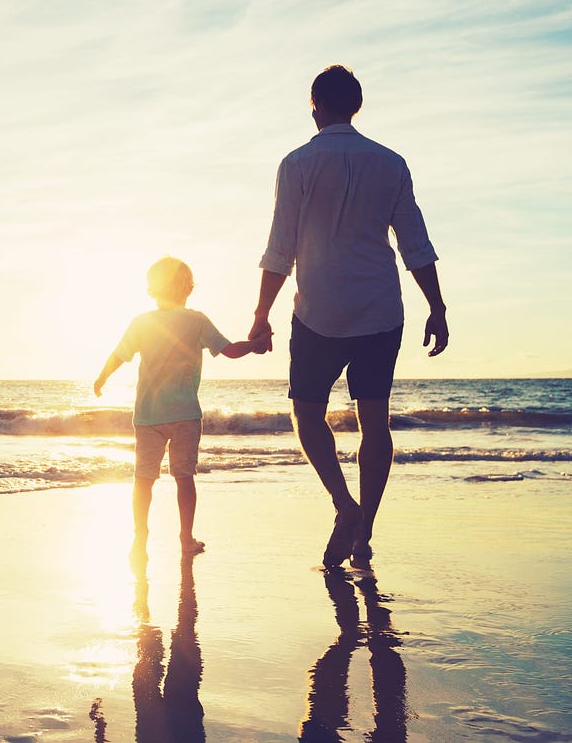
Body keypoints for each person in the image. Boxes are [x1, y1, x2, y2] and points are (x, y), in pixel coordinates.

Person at [249, 65, 448, 570]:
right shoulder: (391, 162)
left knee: (307, 414)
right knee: (374, 421)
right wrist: (437, 306)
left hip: (318, 309)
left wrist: (261, 314)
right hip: (381, 309)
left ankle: (344, 505)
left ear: (314, 105)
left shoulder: (296, 164)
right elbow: (414, 242)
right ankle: (365, 535)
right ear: (356, 105)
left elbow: (281, 248)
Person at [95, 256, 263, 565]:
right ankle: (186, 539)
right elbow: (229, 350)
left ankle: (140, 538)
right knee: (184, 478)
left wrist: (102, 377)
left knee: (143, 479)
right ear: (188, 288)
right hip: (185, 414)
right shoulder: (196, 320)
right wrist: (254, 345)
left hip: (148, 415)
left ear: (151, 289)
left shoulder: (141, 322)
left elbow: (119, 355)